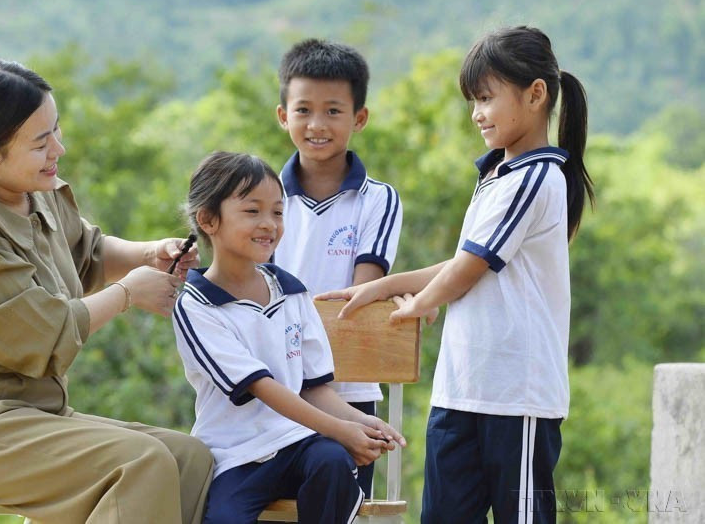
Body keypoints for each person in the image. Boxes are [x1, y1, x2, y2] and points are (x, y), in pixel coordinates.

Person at [0, 58, 213, 524]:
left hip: (38, 415)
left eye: (56, 132)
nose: (58, 150)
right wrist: (128, 294)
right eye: (40, 143)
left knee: (191, 459)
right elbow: (41, 332)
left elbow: (87, 251)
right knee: (141, 462)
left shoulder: (33, 193)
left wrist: (149, 253)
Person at [317, 26, 595, 523]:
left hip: (516, 397)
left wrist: (417, 306)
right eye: (473, 101)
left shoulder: (536, 175)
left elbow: (469, 268)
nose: (477, 114)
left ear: (536, 95)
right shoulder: (496, 175)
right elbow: (462, 263)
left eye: (486, 98)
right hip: (461, 389)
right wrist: (385, 286)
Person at [171, 151, 405, 524]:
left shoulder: (291, 291)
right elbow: (262, 387)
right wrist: (341, 430)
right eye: (252, 211)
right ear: (208, 220)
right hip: (235, 458)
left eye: (278, 212)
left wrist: (363, 423)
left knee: (332, 461)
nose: (269, 224)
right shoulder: (196, 306)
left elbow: (311, 386)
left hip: (298, 442)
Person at [272, 38, 403, 497]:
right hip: (274, 391)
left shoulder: (378, 199)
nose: (317, 124)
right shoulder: (263, 198)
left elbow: (357, 300)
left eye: (333, 111)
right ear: (283, 115)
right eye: (303, 110)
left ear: (359, 118)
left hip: (350, 392)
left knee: (340, 507)